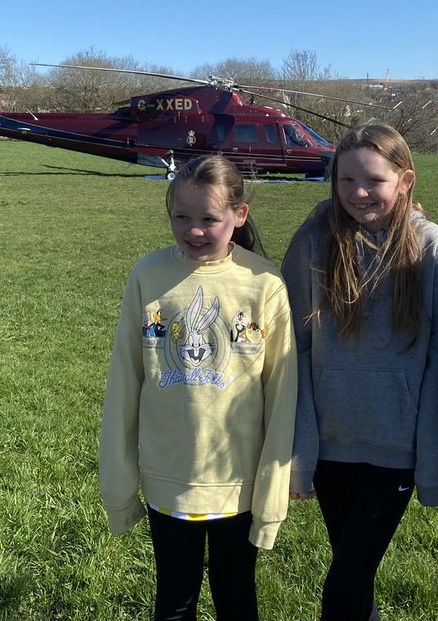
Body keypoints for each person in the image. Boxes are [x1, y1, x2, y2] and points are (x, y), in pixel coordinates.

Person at [99, 155, 297, 621]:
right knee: (173, 601)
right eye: (181, 217)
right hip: (168, 482)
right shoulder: (147, 276)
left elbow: (281, 395)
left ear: (239, 216)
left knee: (236, 600)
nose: (194, 230)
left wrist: (271, 493)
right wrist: (119, 485)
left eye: (209, 219)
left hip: (238, 486)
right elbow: (124, 385)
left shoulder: (264, 283)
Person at [283, 122, 438, 621]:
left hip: (395, 450)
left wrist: (431, 460)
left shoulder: (430, 245)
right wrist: (303, 449)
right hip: (333, 443)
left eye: (374, 181)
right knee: (354, 575)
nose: (358, 192)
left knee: (347, 580)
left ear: (405, 181)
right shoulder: (314, 241)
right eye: (346, 180)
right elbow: (292, 347)